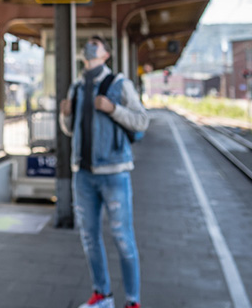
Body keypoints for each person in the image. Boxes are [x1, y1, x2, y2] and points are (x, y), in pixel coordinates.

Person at [59, 35, 150, 308]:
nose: (89, 46)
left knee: (123, 238)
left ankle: (133, 301)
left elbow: (142, 121)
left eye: (95, 44)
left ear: (106, 54)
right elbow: (70, 130)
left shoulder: (120, 84)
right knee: (89, 237)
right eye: (87, 43)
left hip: (114, 173)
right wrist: (65, 115)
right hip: (83, 174)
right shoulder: (76, 86)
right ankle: (102, 295)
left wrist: (113, 109)